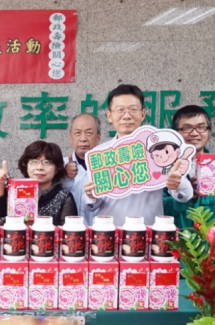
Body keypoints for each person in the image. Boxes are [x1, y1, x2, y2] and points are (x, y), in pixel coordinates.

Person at [81, 84, 194, 226]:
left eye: (133, 109)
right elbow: (89, 206)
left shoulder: (160, 149)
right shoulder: (99, 155)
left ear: (143, 114)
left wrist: (178, 184)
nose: (126, 116)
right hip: (109, 232)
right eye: (120, 110)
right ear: (109, 116)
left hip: (148, 232)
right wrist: (91, 196)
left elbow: (185, 196)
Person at [164, 105, 215, 228]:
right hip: (177, 238)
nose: (195, 133)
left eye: (201, 127)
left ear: (208, 131)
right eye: (186, 128)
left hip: (211, 238)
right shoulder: (165, 165)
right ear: (175, 133)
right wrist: (185, 195)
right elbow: (159, 210)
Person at [13, 141, 77, 225]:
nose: (39, 167)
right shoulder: (14, 192)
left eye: (47, 162)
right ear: (26, 166)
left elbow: (69, 230)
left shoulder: (64, 198)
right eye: (34, 162)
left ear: (56, 169)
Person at [63, 113, 101, 225]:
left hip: (100, 231)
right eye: (77, 133)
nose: (83, 139)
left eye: (89, 133)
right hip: (69, 231)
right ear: (71, 137)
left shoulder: (108, 166)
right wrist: (63, 176)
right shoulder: (60, 165)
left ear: (98, 137)